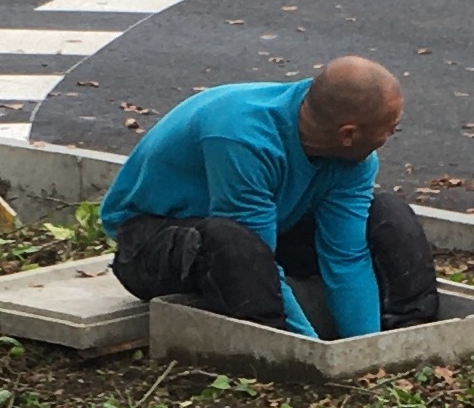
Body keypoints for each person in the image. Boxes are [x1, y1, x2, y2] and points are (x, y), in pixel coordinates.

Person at [99, 56, 441, 336]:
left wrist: (366, 352)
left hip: (264, 232)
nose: (392, 134)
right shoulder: (242, 137)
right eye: (390, 127)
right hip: (153, 243)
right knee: (234, 242)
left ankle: (410, 341)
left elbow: (345, 256)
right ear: (348, 133)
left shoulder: (355, 158)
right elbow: (258, 260)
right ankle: (285, 358)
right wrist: (314, 352)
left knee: (387, 213)